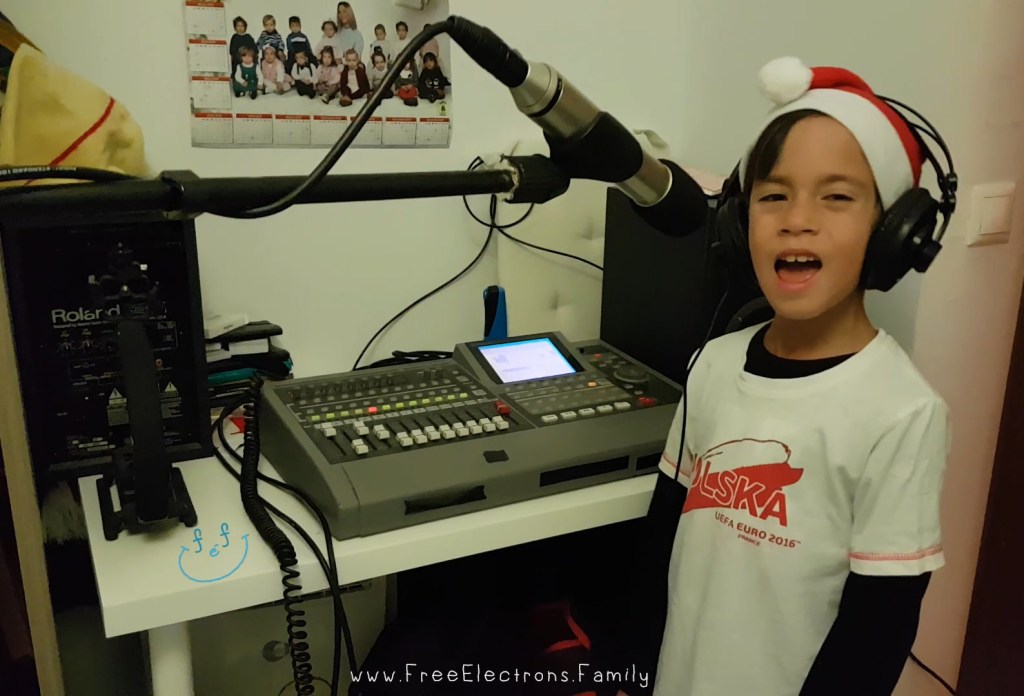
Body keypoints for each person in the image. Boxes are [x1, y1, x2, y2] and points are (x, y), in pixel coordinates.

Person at [614, 56, 953, 696]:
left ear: (892, 233)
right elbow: (663, 537)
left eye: (837, 196)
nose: (797, 218)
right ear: (740, 229)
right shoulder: (714, 363)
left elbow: (877, 630)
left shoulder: (902, 412)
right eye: (773, 196)